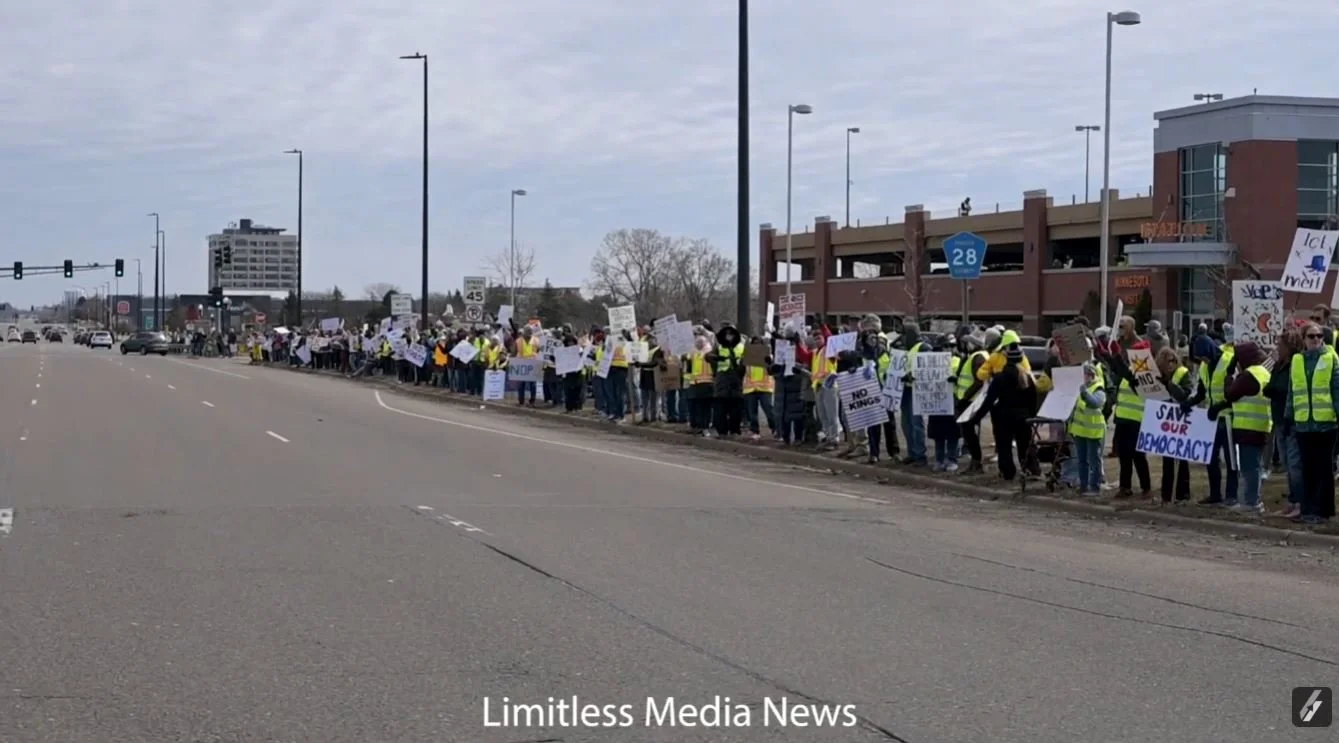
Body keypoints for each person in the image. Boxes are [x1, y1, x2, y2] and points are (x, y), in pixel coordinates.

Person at [1206, 340, 1270, 514]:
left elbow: (1230, 393)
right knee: (1254, 465)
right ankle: (1251, 500)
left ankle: (1251, 503)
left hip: (1248, 427)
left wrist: (1229, 374)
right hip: (1260, 426)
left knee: (1249, 467)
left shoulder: (1249, 375)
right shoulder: (1263, 372)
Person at [1284, 323, 1338, 524]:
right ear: (1304, 339)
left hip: (1326, 424)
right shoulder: (1297, 360)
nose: (1316, 339)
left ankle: (1322, 511)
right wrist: (1288, 416)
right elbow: (1292, 391)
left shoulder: (1331, 358)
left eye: (1319, 336)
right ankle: (1307, 510)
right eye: (1311, 336)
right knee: (1307, 468)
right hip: (1303, 424)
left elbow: (1337, 389)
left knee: (1323, 469)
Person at [970, 346, 1038, 482]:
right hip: (1024, 417)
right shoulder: (1027, 377)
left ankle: (1008, 472)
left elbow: (989, 400)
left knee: (1004, 446)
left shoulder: (1000, 378)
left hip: (1004, 417)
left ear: (1006, 359)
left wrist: (976, 417)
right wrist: (1032, 415)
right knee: (1025, 445)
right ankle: (1030, 470)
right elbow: (1033, 400)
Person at [1105, 317, 1151, 498]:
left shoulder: (1144, 375)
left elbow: (1128, 376)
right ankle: (1125, 487)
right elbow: (1120, 372)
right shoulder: (1130, 371)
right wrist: (1108, 356)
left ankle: (1146, 487)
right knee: (1124, 455)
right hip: (1123, 419)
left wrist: (1116, 356)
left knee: (1138, 455)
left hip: (1137, 421)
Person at [1155, 346, 1192, 503]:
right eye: (1167, 361)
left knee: (1182, 460)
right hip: (1166, 421)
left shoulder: (1183, 373)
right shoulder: (1157, 376)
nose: (1171, 364)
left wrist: (1169, 384)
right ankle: (1166, 495)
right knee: (1167, 462)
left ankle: (1183, 495)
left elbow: (1185, 394)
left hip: (1181, 420)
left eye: (1173, 361)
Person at [953, 328, 990, 473]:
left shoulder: (978, 357)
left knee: (969, 432)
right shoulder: (978, 355)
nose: (966, 345)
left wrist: (965, 397)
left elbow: (979, 381)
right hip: (971, 400)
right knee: (969, 432)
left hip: (972, 401)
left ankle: (976, 462)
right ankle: (975, 462)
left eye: (969, 342)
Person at [1069, 362, 1107, 496]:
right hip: (1080, 431)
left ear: (1090, 376)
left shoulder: (1099, 389)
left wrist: (1084, 392)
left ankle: (1094, 487)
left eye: (1083, 375)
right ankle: (1083, 486)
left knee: (1094, 460)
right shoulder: (1080, 388)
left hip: (1094, 432)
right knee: (1082, 460)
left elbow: (1095, 403)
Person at [706, 324, 746, 437]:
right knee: (720, 409)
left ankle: (735, 430)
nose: (729, 337)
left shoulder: (741, 347)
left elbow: (746, 362)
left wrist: (738, 365)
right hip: (722, 381)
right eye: (727, 334)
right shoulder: (719, 347)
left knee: (736, 409)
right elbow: (708, 356)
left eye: (731, 334)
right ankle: (722, 431)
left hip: (736, 380)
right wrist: (715, 358)